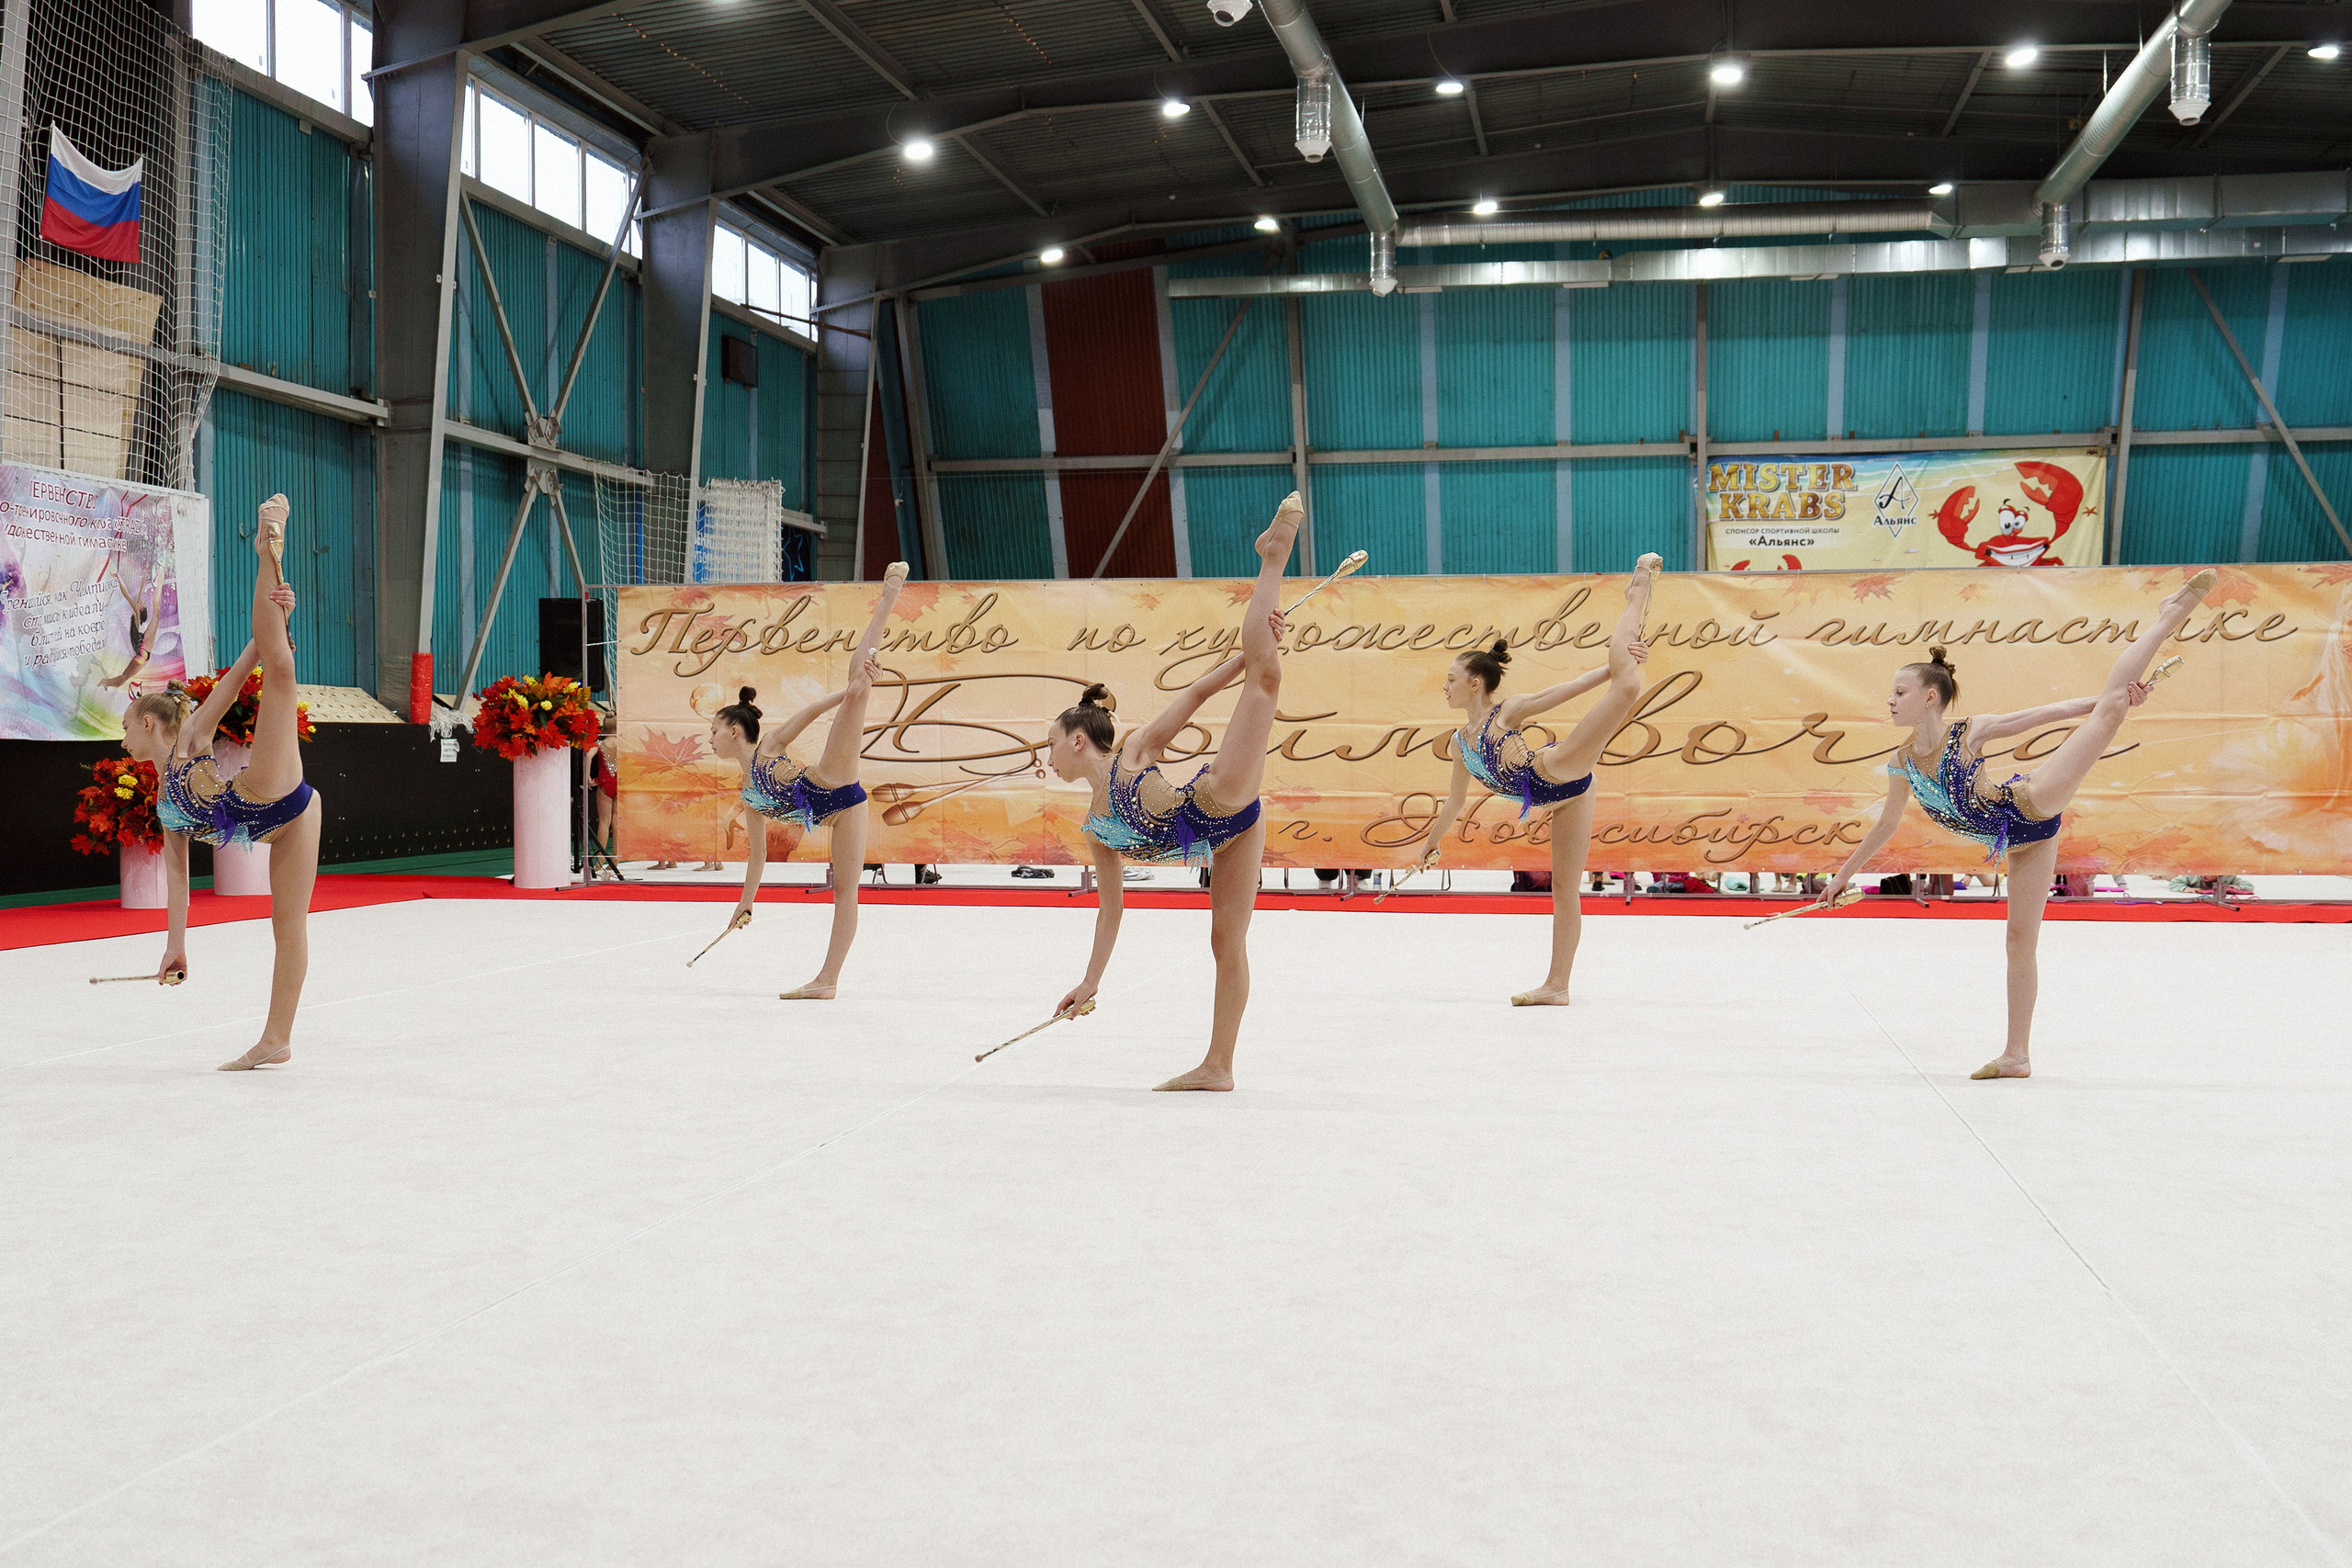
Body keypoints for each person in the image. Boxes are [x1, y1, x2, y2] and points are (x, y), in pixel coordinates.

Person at [1822, 570, 2216, 1079]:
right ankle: (2017, 1056)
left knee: (2111, 710)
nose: (1890, 699)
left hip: (2030, 805)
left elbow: (2045, 713)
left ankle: (2169, 616)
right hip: (2024, 844)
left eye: (1900, 691)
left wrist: (2103, 701)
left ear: (1930, 698)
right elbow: (1884, 826)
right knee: (2018, 942)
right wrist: (1843, 876)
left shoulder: (1970, 731)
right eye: (1890, 692)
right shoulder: (1901, 762)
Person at [1047, 492, 1304, 1092]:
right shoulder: (1095, 828)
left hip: (1219, 803)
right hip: (1228, 839)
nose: (1048, 755)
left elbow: (1193, 696)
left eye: (1051, 742)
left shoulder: (1134, 752)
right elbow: (1111, 912)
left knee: (1266, 677)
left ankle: (1273, 557)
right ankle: (1219, 1067)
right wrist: (1090, 984)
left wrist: (1247, 654)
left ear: (1079, 740)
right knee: (1225, 940)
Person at [121, 493, 322, 1071]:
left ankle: (268, 546)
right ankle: (276, 1039)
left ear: (152, 722)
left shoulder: (191, 740)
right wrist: (175, 946)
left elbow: (243, 673)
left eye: (128, 728)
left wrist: (281, 612)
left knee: (280, 671)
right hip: (280, 827)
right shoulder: (163, 805)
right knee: (288, 929)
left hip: (264, 797)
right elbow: (179, 883)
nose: (125, 740)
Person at [1410, 555, 1657, 1006]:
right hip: (1567, 797)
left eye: (1451, 679)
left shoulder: (1507, 711)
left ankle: (1636, 593)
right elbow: (1453, 803)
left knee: (1626, 687)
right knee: (1565, 889)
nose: (1444, 687)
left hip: (1556, 769)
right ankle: (1557, 986)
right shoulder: (1458, 744)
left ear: (1475, 684)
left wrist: (1616, 664)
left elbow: (1575, 686)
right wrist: (1431, 843)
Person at [707, 561, 909, 998]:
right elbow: (758, 856)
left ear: (734, 731)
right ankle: (828, 981)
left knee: (857, 686)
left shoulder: (771, 747)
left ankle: (890, 595)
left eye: (714, 731)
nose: (710, 740)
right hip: (847, 812)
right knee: (845, 891)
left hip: (831, 781)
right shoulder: (749, 796)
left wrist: (853, 690)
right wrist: (745, 903)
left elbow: (814, 711)